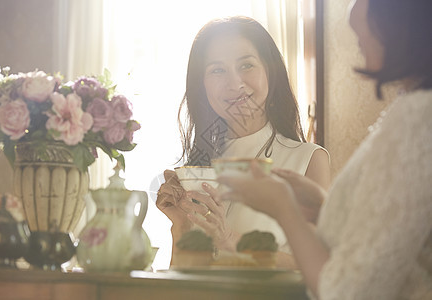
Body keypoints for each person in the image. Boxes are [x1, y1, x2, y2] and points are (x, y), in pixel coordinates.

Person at [218, 0, 432, 298]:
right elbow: (393, 237)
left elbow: (349, 290)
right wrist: (324, 208)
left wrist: (283, 207)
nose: (353, 10)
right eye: (217, 70)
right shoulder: (414, 110)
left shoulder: (418, 118)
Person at [156, 16, 330, 268]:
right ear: (202, 85)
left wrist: (229, 239)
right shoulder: (195, 171)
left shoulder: (308, 159)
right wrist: (180, 224)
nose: (234, 83)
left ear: (270, 71)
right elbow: (182, 282)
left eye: (246, 65)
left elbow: (322, 267)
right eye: (217, 70)